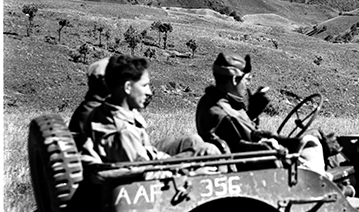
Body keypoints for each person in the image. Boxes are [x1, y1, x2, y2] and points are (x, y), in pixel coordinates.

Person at [195, 52, 327, 174]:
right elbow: (256, 142)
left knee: (311, 135)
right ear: (235, 80)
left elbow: (240, 136)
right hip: (259, 169)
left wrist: (251, 114)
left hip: (245, 162)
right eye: (247, 79)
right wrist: (293, 143)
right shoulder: (229, 114)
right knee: (313, 141)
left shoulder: (208, 101)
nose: (247, 85)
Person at [83, 55, 219, 163]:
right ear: (127, 87)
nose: (149, 92)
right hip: (150, 176)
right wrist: (186, 165)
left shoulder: (106, 111)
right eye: (144, 85)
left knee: (195, 142)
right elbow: (143, 168)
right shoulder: (122, 131)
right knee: (209, 151)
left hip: (148, 161)